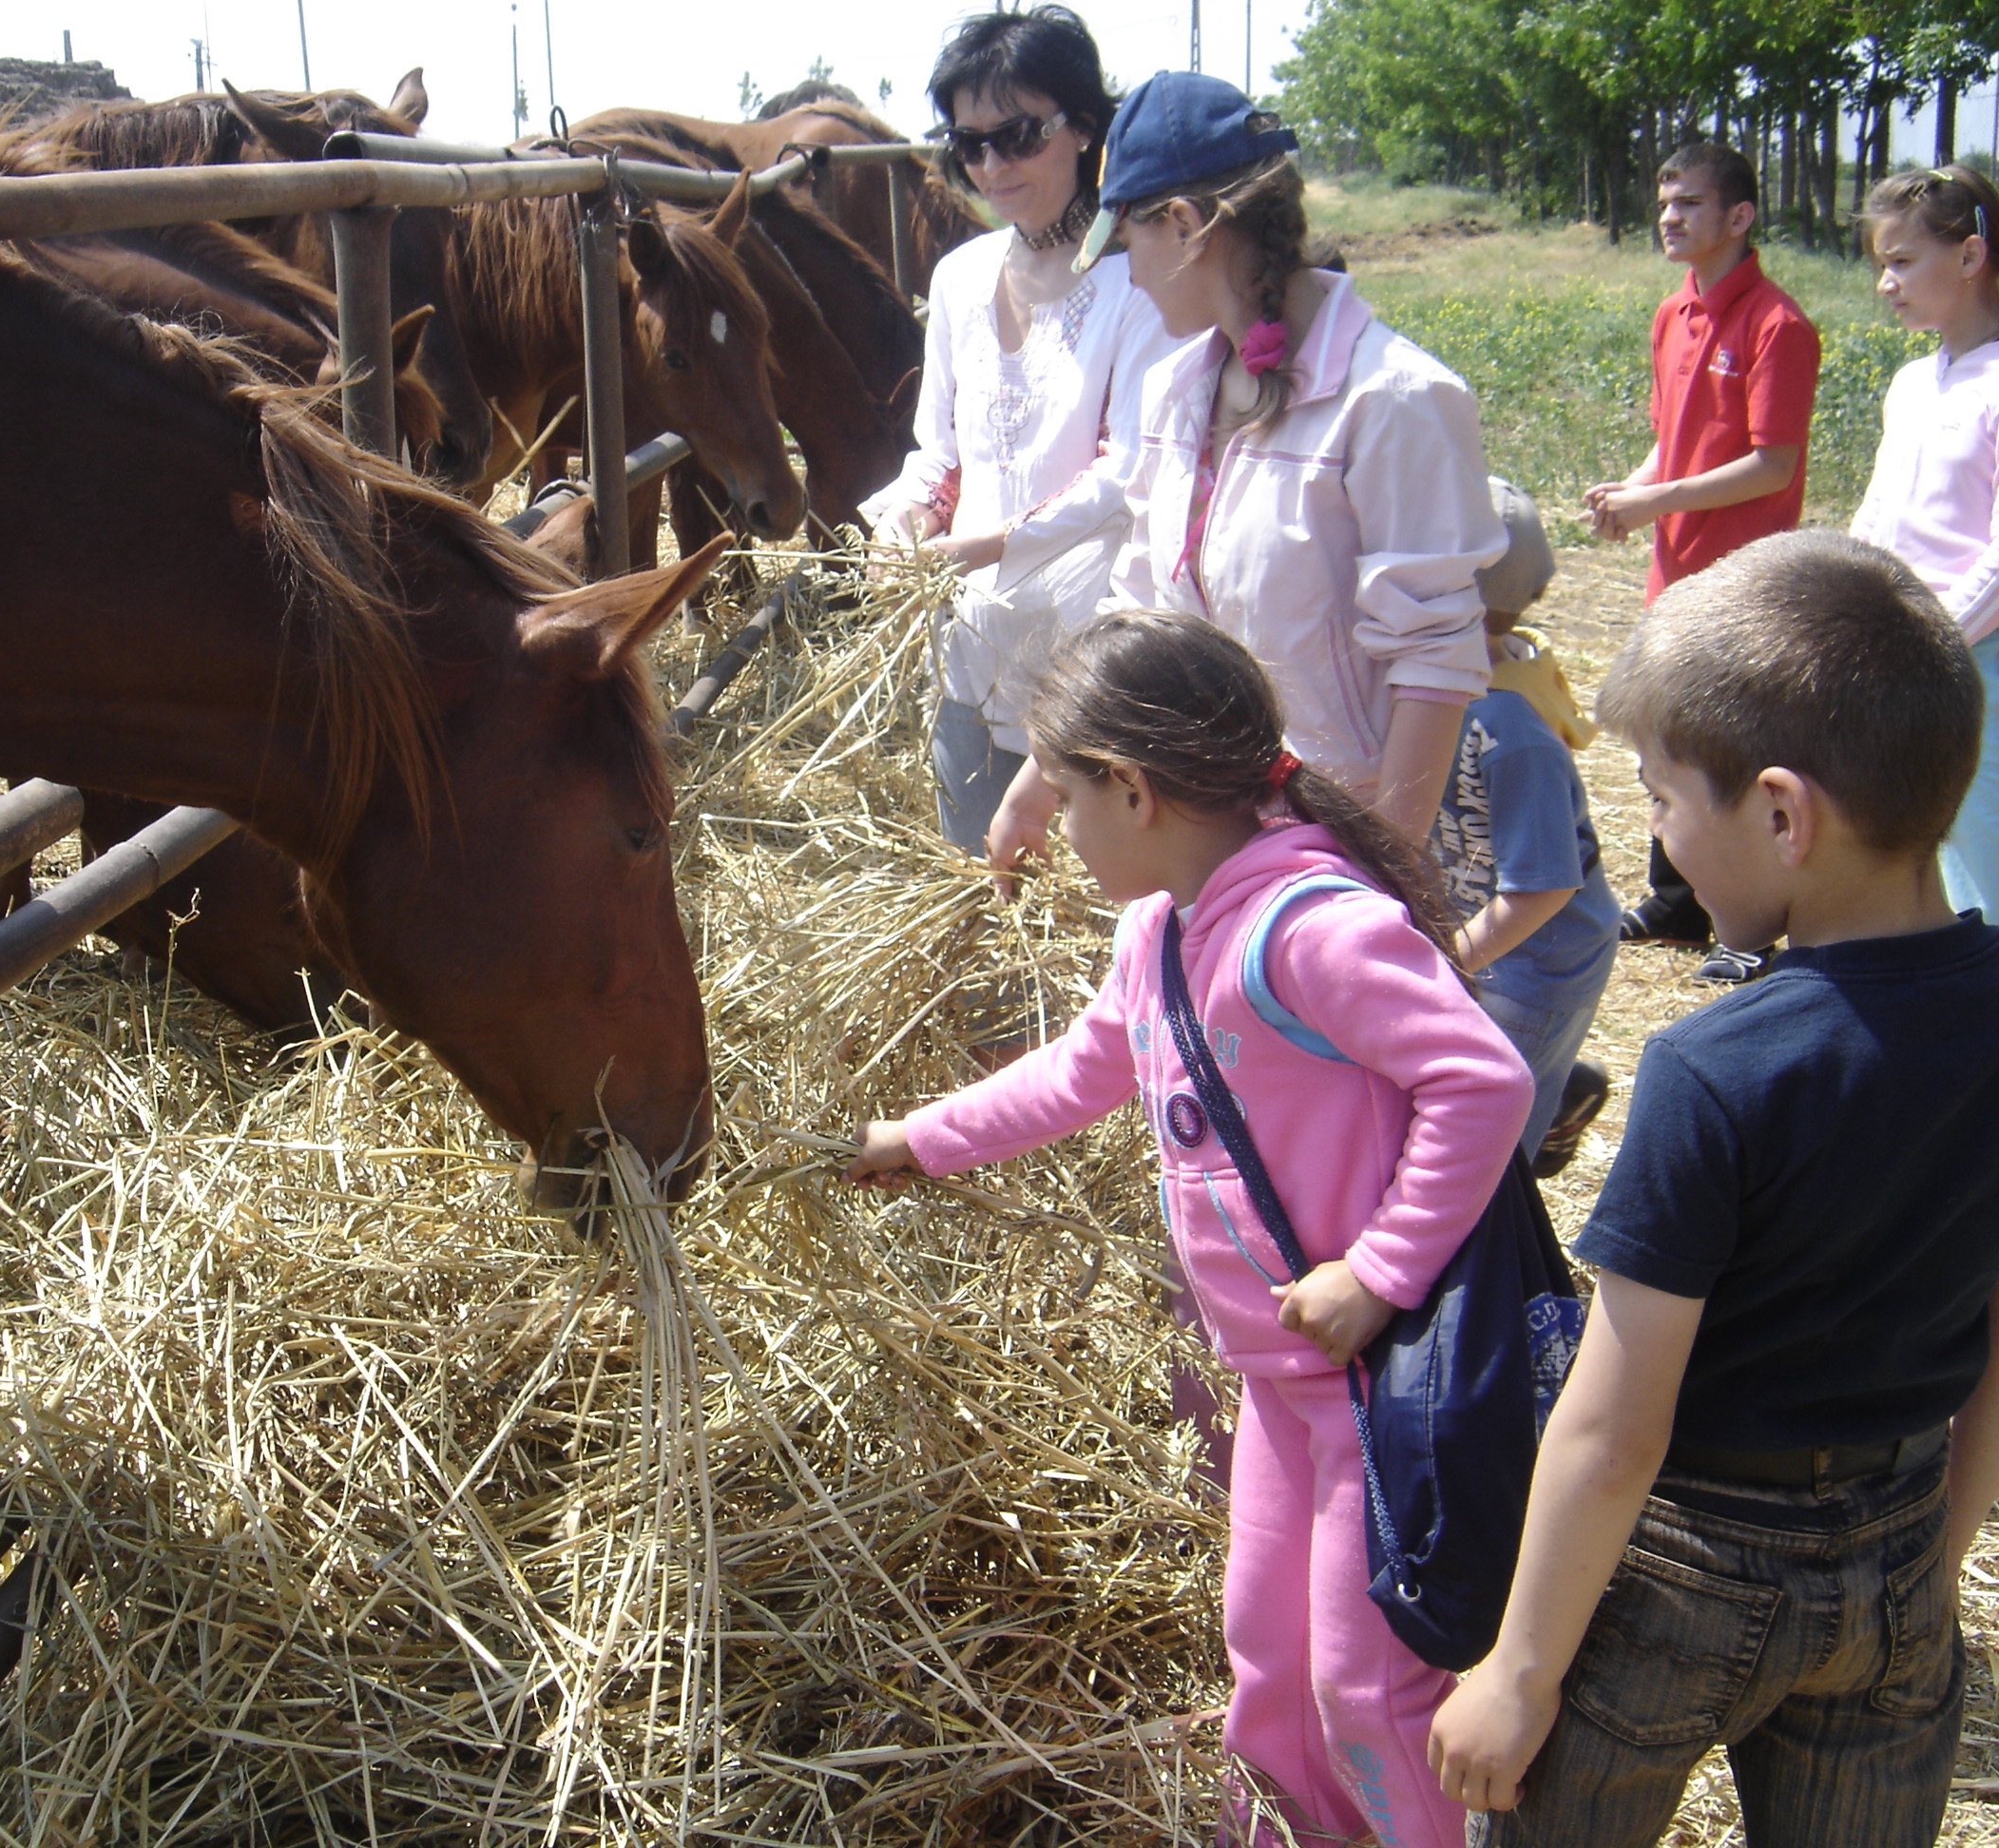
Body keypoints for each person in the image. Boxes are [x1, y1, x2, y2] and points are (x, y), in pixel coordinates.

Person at [849, 612, 1532, 1848]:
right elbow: (1081, 1073)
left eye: (1065, 798)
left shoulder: (1312, 930)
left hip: (1379, 1395)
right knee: (1267, 1663)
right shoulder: (1159, 933)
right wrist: (921, 1138)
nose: (1055, 828)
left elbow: (1483, 1084)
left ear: (1133, 790)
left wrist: (1379, 1271)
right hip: (1280, 1387)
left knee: (1367, 1689)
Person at [1429, 530, 1999, 1847]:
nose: (1666, 847)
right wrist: (1940, 1545)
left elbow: (1615, 1429)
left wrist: (1518, 1671)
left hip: (1692, 1566)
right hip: (1904, 1542)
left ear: (1785, 814)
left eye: (1668, 805)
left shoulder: (1716, 1065)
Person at [983, 70, 1505, 876]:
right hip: (1199, 833)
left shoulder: (1396, 400)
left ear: (1186, 225)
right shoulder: (1176, 389)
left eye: (1130, 242)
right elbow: (1143, 613)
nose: (1129, 272)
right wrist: (1040, 779)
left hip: (1333, 840)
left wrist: (1383, 874)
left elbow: (1433, 661)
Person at [863, 4, 1171, 854]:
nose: (993, 165)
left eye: (1018, 135)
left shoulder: (1138, 282)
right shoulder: (960, 278)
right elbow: (938, 454)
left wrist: (987, 544)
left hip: (1091, 655)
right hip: (969, 641)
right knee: (972, 877)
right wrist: (907, 524)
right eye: (970, 144)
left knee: (1097, 909)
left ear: (1081, 127)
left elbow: (1129, 469)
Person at [1587, 142, 1819, 984]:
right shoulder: (1672, 313)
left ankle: (1747, 930)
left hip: (1744, 584)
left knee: (1737, 756)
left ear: (1740, 217)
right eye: (1664, 202)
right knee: (1665, 740)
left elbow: (1773, 464)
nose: (1670, 218)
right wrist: (1634, 491)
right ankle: (1675, 902)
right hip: (1674, 571)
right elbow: (1672, 437)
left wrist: (1660, 500)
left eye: (1689, 203)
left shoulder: (1778, 326)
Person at [1436, 479, 1618, 1174]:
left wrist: (1444, 963)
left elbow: (1542, 890)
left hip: (1537, 964)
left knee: (1486, 1147)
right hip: (1483, 938)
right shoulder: (1436, 692)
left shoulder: (1509, 731)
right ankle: (1558, 1086)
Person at [1852, 164, 1999, 920]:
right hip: (1907, 653)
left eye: (1903, 261)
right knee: (1914, 845)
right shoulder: (1912, 383)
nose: (1887, 282)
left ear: (1971, 257)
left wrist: (1935, 637)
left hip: (1976, 664)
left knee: (1983, 847)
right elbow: (1879, 516)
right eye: (1884, 264)